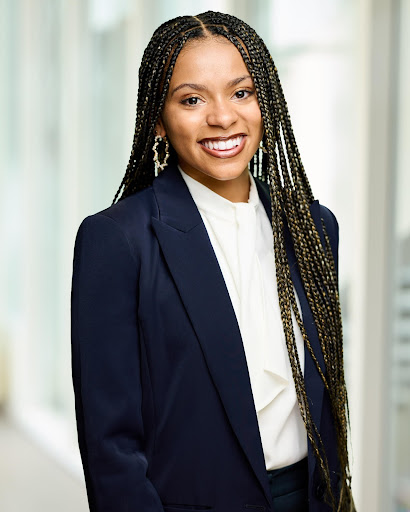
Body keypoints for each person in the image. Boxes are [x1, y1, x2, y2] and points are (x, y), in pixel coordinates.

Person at [71, 11, 355, 512]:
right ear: (158, 119)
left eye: (241, 93)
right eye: (192, 99)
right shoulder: (117, 240)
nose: (223, 117)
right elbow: (111, 446)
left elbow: (326, 405)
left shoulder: (313, 226)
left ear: (266, 102)